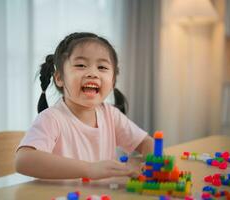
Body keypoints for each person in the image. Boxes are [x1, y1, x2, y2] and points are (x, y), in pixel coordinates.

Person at [15, 32, 153, 180]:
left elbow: (146, 142)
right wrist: (89, 169)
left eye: (102, 67)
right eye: (81, 65)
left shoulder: (110, 115)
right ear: (59, 78)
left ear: (113, 81)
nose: (92, 73)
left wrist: (152, 163)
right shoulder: (51, 118)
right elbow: (23, 161)